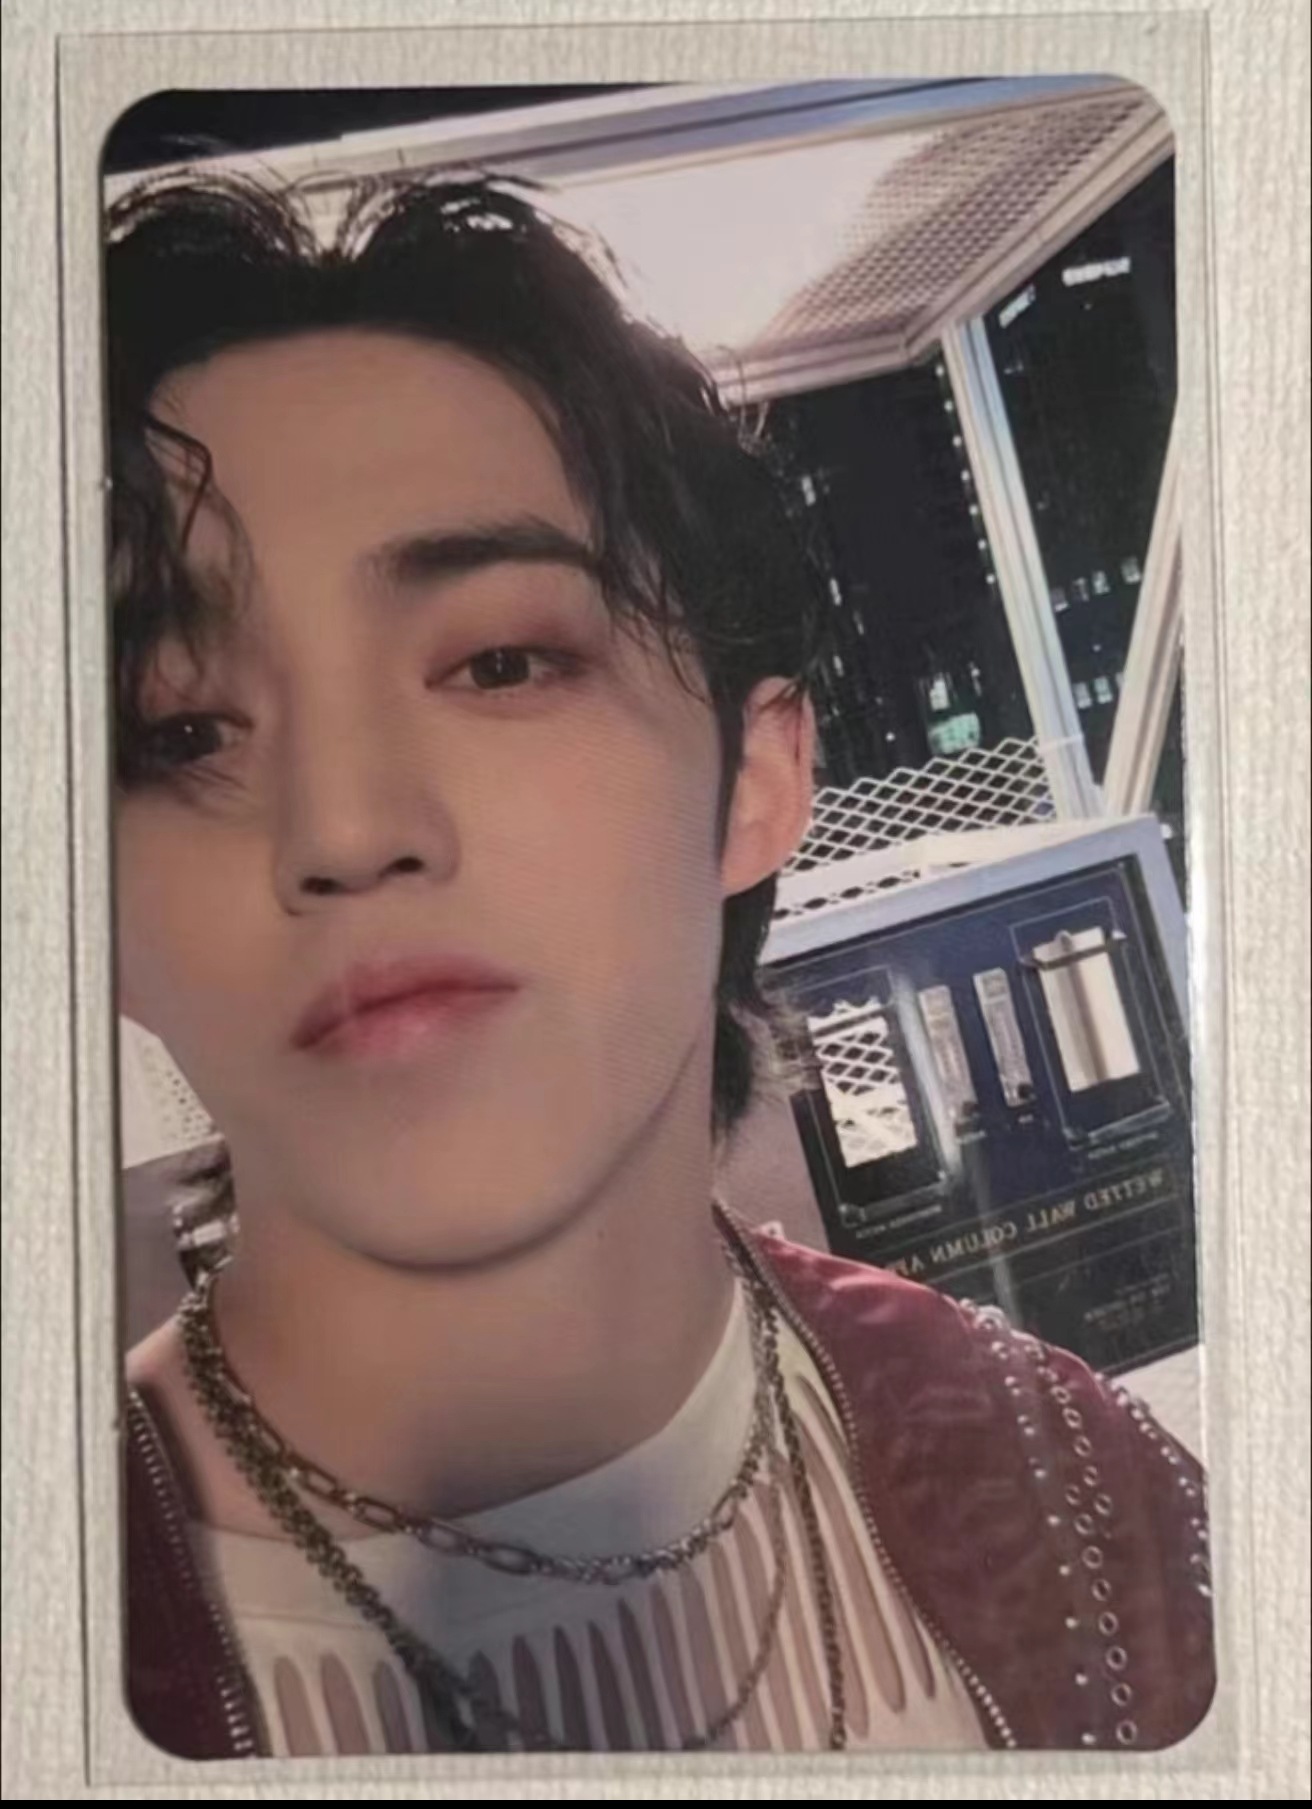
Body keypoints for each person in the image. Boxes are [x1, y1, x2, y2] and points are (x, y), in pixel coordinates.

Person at [108, 170, 1214, 1761]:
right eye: (181, 731)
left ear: (755, 782)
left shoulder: (1086, 1503)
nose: (343, 827)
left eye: (501, 661)